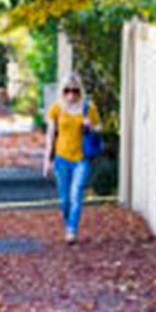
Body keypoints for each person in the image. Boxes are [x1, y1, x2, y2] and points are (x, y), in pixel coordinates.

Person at [42, 73, 100, 244]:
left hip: (82, 157)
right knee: (64, 198)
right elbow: (51, 135)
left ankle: (72, 229)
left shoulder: (88, 108)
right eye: (67, 91)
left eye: (75, 91)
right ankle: (69, 223)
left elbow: (99, 127)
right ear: (62, 91)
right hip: (62, 158)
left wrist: (91, 126)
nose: (71, 95)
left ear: (80, 91)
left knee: (76, 193)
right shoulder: (56, 108)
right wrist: (47, 160)